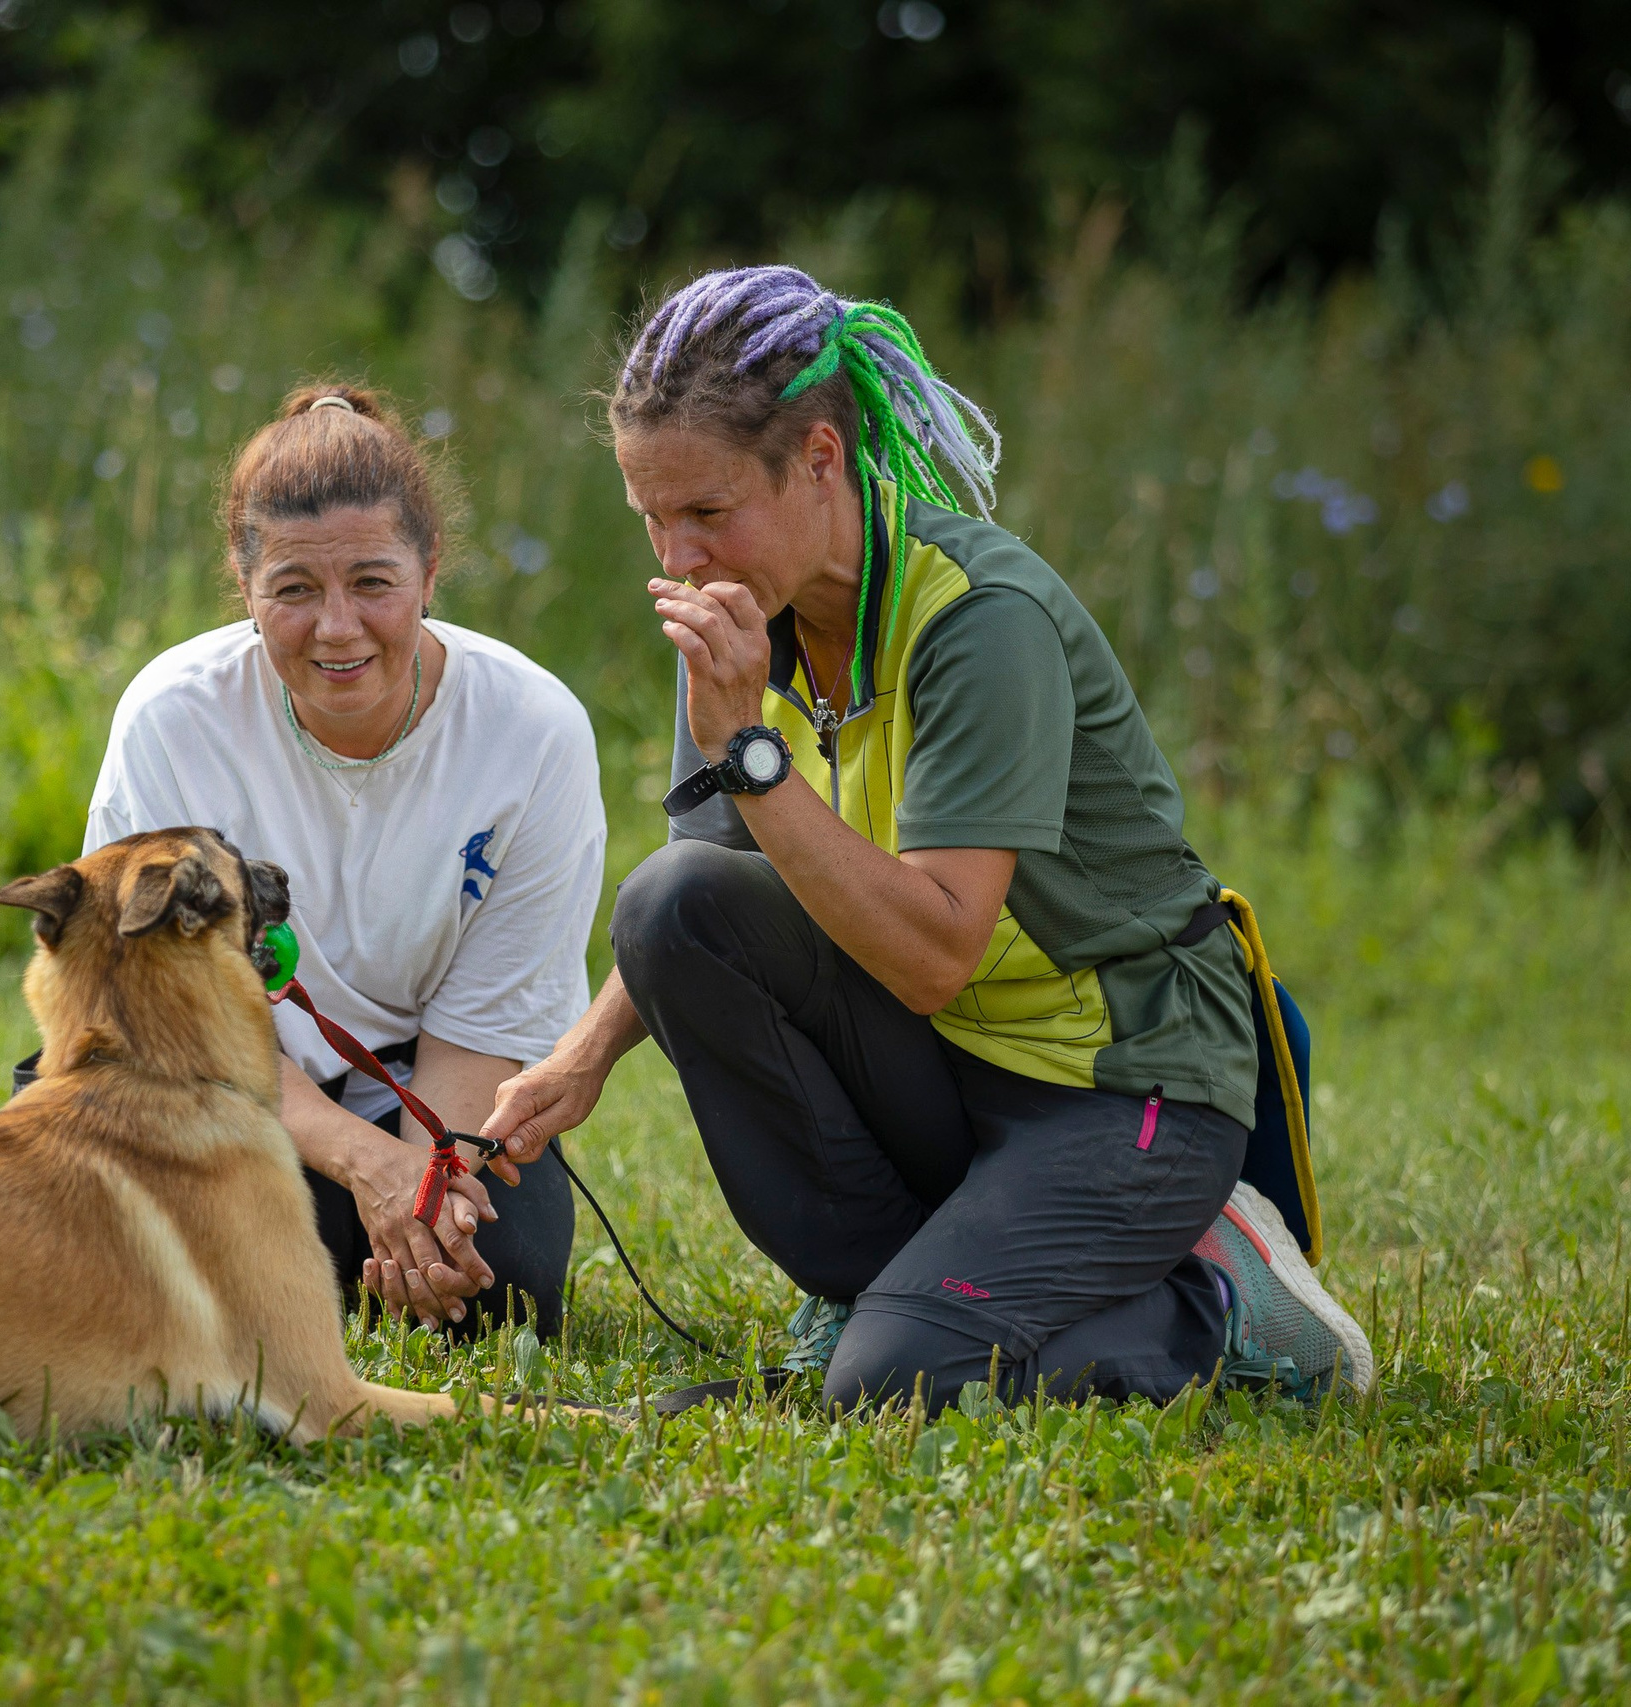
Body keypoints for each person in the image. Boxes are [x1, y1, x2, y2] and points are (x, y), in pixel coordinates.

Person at [481, 267, 1374, 1411]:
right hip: (952, 1062)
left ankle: (1227, 1306)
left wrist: (750, 747)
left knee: (897, 1382)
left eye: (706, 512)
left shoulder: (978, 621)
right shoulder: (745, 623)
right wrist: (581, 1057)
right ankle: (900, 1286)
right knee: (671, 903)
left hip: (1122, 1086)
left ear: (816, 459)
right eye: (649, 518)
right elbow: (718, 880)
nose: (677, 559)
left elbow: (934, 951)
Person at [83, 384, 604, 1337]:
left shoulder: (535, 730)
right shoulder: (172, 717)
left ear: (431, 569)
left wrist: (432, 1186)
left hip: (422, 1088)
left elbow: (483, 1022)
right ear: (245, 588)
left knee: (504, 1285)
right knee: (86, 1237)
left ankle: (289, 1264)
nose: (337, 628)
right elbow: (172, 1010)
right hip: (204, 1080)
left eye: (373, 582)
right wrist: (364, 1165)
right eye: (293, 590)